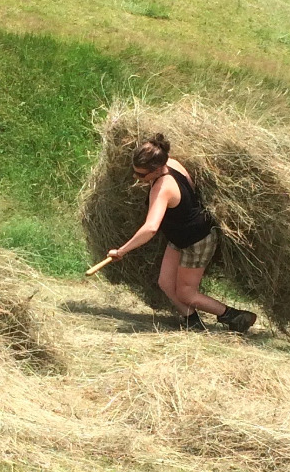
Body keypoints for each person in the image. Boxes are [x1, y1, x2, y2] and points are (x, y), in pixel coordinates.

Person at [108, 133, 257, 332]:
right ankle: (192, 321)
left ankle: (235, 316)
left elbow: (151, 228)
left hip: (197, 240)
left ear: (156, 169)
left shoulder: (163, 188)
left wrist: (122, 251)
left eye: (141, 175)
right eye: (134, 172)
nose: (137, 178)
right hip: (179, 236)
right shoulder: (171, 163)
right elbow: (190, 188)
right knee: (165, 282)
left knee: (186, 293)